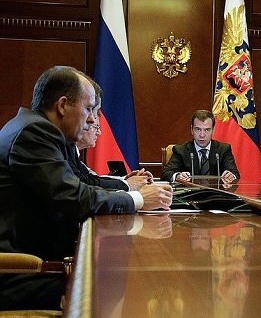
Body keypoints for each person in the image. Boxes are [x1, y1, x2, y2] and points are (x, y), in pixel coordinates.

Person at [0, 66, 173, 310]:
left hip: (40, 258)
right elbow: (75, 198)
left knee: (110, 275)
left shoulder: (44, 131)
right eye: (89, 108)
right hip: (17, 271)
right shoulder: (34, 133)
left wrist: (132, 195)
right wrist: (137, 199)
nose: (93, 119)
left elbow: (83, 184)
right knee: (108, 286)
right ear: (62, 106)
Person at [70, 84, 152, 191]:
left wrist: (125, 180)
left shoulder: (71, 150)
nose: (91, 119)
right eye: (88, 110)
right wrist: (127, 184)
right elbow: (83, 184)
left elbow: (90, 179)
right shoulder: (58, 147)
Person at [161, 109, 239, 184]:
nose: (202, 135)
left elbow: (235, 174)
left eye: (207, 130)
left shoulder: (223, 149)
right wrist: (177, 176)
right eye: (198, 129)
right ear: (192, 130)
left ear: (213, 130)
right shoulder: (181, 150)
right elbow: (166, 173)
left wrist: (231, 175)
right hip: (190, 195)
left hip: (216, 195)